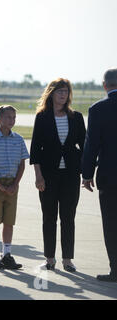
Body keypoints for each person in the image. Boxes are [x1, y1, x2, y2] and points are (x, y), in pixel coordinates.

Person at [30, 78, 85, 273]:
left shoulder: (76, 117)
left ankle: (68, 259)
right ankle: (50, 258)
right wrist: (38, 176)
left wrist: (86, 172)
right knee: (49, 217)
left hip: (70, 175)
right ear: (51, 93)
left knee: (68, 217)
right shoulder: (42, 117)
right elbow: (35, 149)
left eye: (66, 91)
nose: (63, 94)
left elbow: (84, 146)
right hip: (48, 175)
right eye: (60, 91)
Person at [0, 105, 29, 270]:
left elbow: (22, 164)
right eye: (8, 117)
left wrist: (15, 184)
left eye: (14, 118)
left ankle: (7, 254)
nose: (11, 120)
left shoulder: (18, 139)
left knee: (9, 221)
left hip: (12, 185)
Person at [82, 68, 117, 282]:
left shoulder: (98, 109)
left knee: (112, 225)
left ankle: (116, 269)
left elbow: (91, 145)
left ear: (105, 85)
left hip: (109, 177)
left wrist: (87, 174)